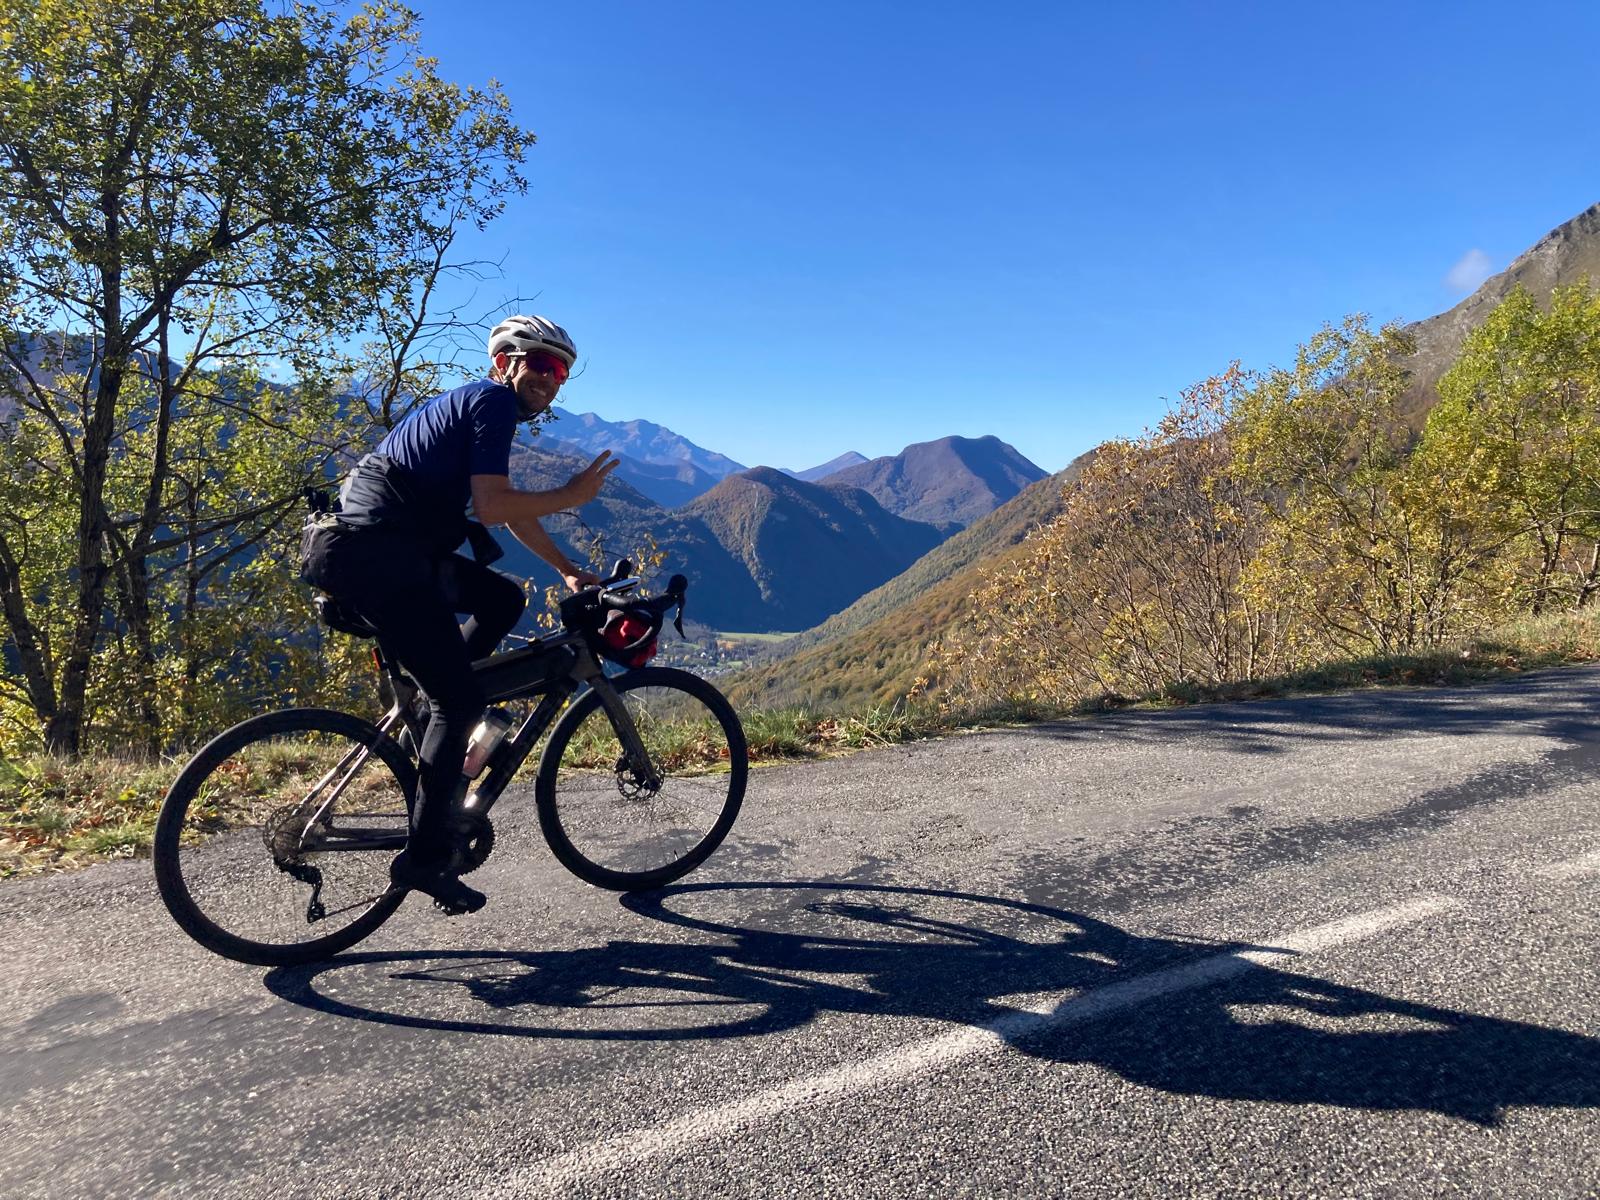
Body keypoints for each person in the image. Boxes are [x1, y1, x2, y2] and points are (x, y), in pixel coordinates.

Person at [302, 315, 618, 914]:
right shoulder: (492, 403)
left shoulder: (478, 406)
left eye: (561, 372)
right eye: (541, 364)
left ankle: (435, 713)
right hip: (377, 559)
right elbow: (493, 506)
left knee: (502, 599)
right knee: (460, 703)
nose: (551, 380)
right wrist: (573, 495)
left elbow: (503, 507)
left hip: (377, 554)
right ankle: (424, 859)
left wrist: (566, 568)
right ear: (504, 363)